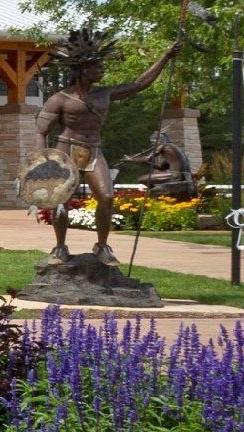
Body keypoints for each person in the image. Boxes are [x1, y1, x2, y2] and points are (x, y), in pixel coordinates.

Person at [35, 29, 182, 264]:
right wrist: (43, 163)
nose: (102, 70)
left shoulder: (105, 93)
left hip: (93, 150)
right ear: (83, 69)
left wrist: (165, 56)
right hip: (66, 150)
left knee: (107, 196)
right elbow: (41, 131)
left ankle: (102, 246)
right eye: (97, 66)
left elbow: (140, 83)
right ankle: (60, 248)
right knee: (61, 201)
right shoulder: (60, 99)